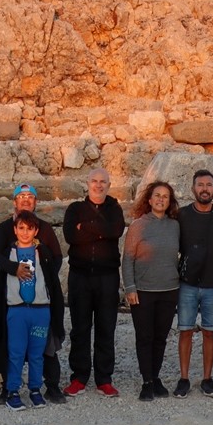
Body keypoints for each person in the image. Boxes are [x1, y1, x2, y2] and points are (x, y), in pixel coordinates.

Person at [0, 184, 67, 404]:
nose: (25, 200)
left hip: (41, 300)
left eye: (30, 197)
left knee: (44, 344)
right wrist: (13, 268)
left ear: (35, 202)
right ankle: (9, 389)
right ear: (14, 201)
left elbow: (56, 256)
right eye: (21, 196)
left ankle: (49, 386)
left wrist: (46, 274)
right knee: (10, 344)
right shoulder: (5, 228)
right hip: (12, 299)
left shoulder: (43, 227)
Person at [63, 168, 126, 398]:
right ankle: (79, 377)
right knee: (80, 328)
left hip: (107, 277)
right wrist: (102, 231)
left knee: (106, 327)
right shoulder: (74, 209)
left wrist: (86, 227)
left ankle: (104, 379)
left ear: (109, 185)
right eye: (94, 181)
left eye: (103, 182)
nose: (98, 185)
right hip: (80, 276)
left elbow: (116, 230)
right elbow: (71, 236)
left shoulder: (115, 209)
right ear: (87, 184)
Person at [123, 181, 181, 402]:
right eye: (157, 195)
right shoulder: (139, 225)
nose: (161, 199)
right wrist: (130, 287)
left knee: (161, 338)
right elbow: (127, 258)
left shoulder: (175, 225)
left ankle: (155, 377)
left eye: (165, 196)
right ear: (149, 199)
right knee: (144, 337)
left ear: (170, 201)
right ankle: (146, 382)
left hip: (169, 290)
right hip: (143, 291)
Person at [175, 169, 213, 398]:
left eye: (209, 185)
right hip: (187, 283)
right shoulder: (182, 215)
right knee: (185, 331)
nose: (204, 189)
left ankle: (207, 379)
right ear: (193, 189)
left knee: (210, 332)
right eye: (200, 185)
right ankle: (184, 378)